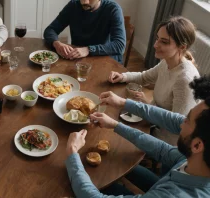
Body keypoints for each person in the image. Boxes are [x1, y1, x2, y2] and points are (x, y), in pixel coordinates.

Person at [65, 76, 210, 197]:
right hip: (165, 181)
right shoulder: (198, 160)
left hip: (164, 189)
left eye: (187, 120)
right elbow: (162, 150)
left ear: (197, 145)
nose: (180, 123)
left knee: (98, 183)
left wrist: (72, 152)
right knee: (117, 166)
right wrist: (116, 125)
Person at [108, 16, 199, 116]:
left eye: (164, 42)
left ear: (182, 47)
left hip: (163, 130)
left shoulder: (185, 80)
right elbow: (143, 77)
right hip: (154, 119)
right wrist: (122, 77)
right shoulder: (166, 62)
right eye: (157, 39)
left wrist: (145, 105)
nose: (155, 45)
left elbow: (177, 125)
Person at [43, 0, 126, 64]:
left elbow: (120, 45)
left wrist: (88, 50)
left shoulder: (113, 9)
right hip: (77, 60)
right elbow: (50, 30)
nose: (85, 2)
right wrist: (57, 44)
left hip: (103, 60)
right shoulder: (73, 5)